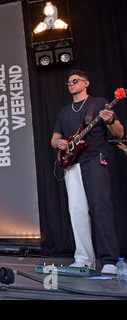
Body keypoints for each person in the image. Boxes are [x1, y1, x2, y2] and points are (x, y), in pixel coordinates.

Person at [51, 70, 124, 275]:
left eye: (75, 81)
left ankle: (109, 260)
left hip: (94, 160)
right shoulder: (64, 111)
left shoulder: (99, 103)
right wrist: (59, 142)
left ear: (86, 83)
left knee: (100, 208)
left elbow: (119, 133)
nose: (71, 84)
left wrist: (109, 121)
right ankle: (83, 259)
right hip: (72, 164)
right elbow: (54, 139)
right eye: (68, 82)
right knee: (77, 211)